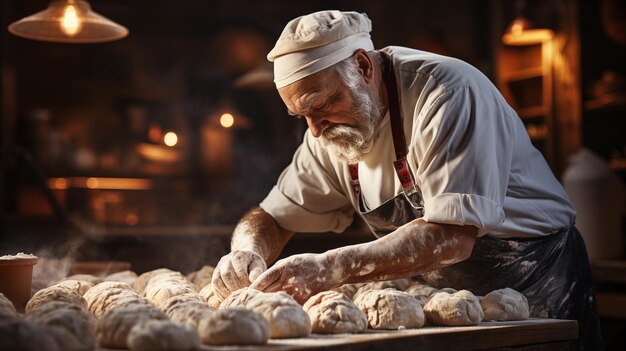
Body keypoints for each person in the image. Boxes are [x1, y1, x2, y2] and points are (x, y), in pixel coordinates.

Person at [211, 10, 601, 349]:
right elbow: (272, 216)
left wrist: (327, 267)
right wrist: (248, 251)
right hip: (446, 296)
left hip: (536, 276)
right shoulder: (327, 132)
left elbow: (452, 236)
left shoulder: (447, 93)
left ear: (362, 66)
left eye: (322, 105)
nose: (314, 130)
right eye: (302, 117)